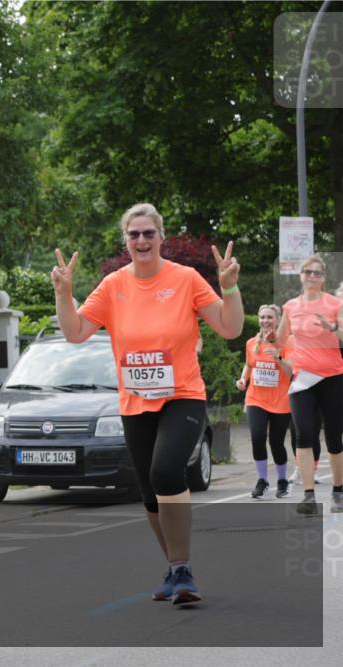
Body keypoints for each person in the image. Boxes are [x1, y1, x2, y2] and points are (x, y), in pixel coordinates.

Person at [52, 203, 243, 605]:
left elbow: (230, 327)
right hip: (135, 403)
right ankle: (176, 569)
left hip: (182, 396)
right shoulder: (113, 285)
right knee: (151, 493)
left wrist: (229, 287)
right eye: (134, 234)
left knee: (167, 469)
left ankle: (183, 567)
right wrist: (63, 294)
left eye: (148, 234)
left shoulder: (186, 279)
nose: (141, 240)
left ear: (161, 238)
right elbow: (75, 332)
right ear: (126, 241)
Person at [275, 255, 343, 514]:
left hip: (333, 376)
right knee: (303, 434)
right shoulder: (291, 306)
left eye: (317, 273)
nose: (312, 276)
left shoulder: (336, 303)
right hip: (303, 378)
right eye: (307, 272)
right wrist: (272, 343)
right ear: (301, 275)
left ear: (323, 278)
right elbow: (281, 339)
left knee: (334, 436)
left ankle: (338, 491)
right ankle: (308, 496)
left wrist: (334, 327)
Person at [236, 305, 293, 499]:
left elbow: (292, 372)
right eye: (262, 317)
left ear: (277, 320)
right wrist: (243, 379)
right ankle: (262, 480)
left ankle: (282, 480)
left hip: (280, 401)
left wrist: (278, 358)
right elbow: (249, 365)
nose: (265, 321)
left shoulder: (287, 343)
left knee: (276, 442)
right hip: (256, 399)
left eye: (269, 317)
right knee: (257, 436)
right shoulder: (252, 343)